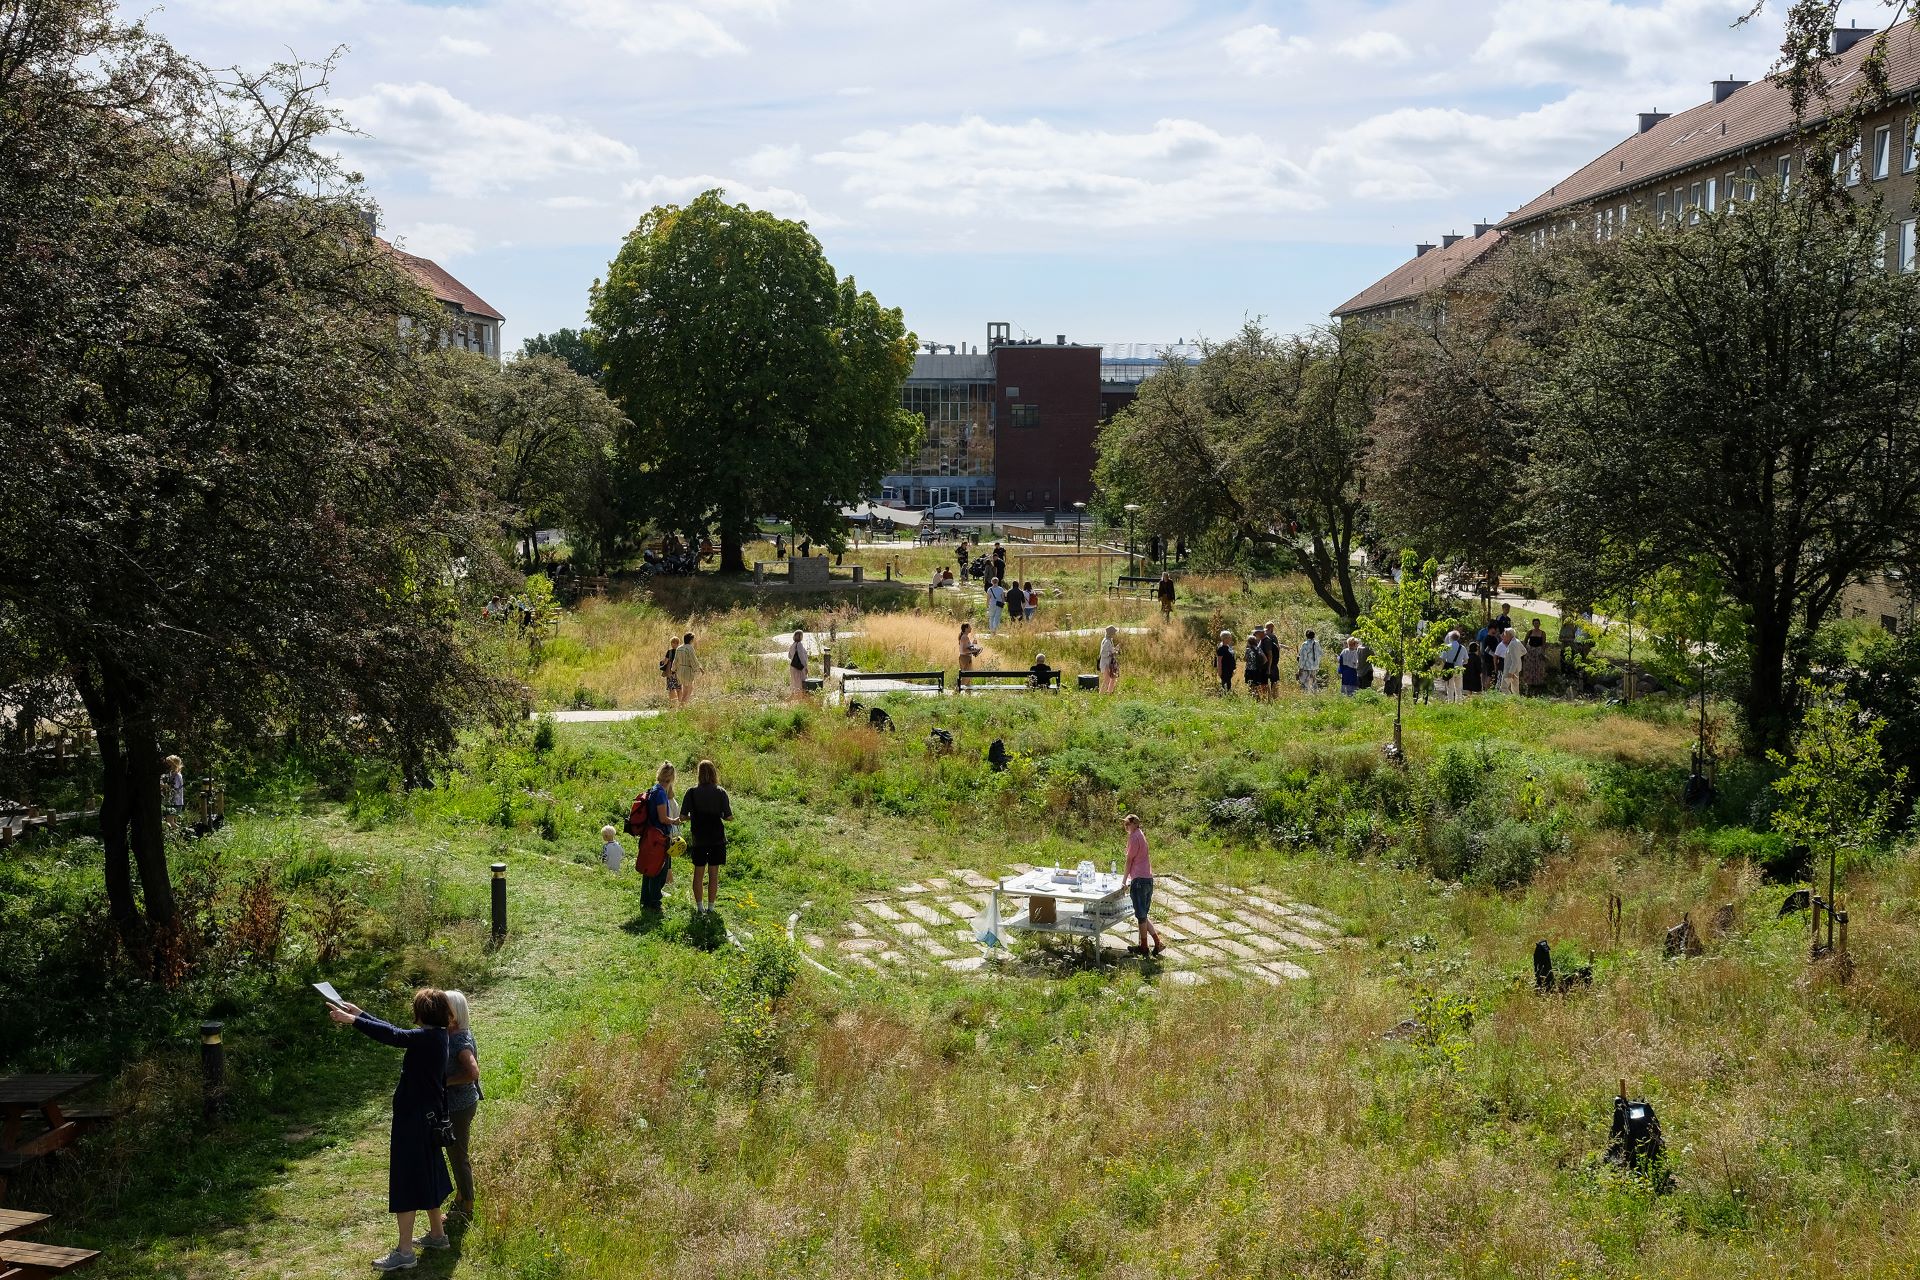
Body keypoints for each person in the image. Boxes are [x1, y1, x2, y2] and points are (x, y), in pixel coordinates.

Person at [326, 989, 454, 1272]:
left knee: (407, 1180)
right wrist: (360, 1014)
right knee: (428, 1174)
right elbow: (398, 1032)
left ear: (420, 1013)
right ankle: (437, 1235)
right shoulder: (437, 1036)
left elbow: (395, 1036)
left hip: (414, 1122)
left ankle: (405, 1252)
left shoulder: (425, 1039)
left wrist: (352, 1021)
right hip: (427, 1120)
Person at [441, 990, 482, 1223]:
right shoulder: (454, 1033)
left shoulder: (459, 1039)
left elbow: (472, 1072)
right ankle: (460, 1196)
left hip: (460, 1105)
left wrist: (445, 1082)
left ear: (454, 1013)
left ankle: (467, 1206)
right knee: (456, 1153)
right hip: (459, 1104)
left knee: (458, 1156)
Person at [681, 759, 733, 915]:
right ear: (714, 773)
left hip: (699, 837)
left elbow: (683, 816)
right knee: (713, 873)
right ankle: (711, 907)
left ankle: (699, 907)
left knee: (698, 873)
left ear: (699, 774)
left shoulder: (691, 792)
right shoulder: (720, 792)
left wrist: (694, 816)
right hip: (717, 837)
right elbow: (729, 817)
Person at [1122, 814, 1164, 957]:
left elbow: (1129, 860)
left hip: (1139, 880)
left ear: (1134, 823)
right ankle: (1157, 943)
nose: (1125, 827)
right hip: (1148, 879)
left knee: (1141, 916)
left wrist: (1123, 881)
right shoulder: (1141, 835)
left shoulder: (1134, 837)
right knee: (1143, 915)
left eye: (1127, 824)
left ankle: (1144, 947)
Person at [637, 763, 676, 911]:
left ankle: (645, 900)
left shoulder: (654, 789)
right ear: (671, 777)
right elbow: (663, 818)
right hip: (659, 836)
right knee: (659, 870)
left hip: (650, 834)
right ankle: (654, 902)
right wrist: (675, 820)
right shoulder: (660, 793)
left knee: (649, 868)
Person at [1438, 629, 1468, 703]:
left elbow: (1443, 659)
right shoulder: (1462, 648)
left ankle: (1450, 703)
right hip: (1459, 669)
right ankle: (1459, 702)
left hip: (1449, 669)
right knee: (1459, 688)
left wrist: (1447, 664)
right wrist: (1460, 663)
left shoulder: (1447, 647)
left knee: (1450, 688)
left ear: (1450, 638)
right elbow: (1466, 660)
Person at [1522, 619, 1549, 694]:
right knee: (1530, 667)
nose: (1536, 624)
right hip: (1530, 652)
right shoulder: (1530, 632)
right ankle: (1529, 683)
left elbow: (1544, 643)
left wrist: (1542, 652)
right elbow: (1525, 641)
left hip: (1538, 651)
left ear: (1539, 624)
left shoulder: (1542, 633)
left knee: (1538, 667)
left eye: (1537, 623)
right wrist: (1524, 650)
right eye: (1535, 623)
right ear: (1533, 624)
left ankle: (1538, 684)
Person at [674, 632, 699, 705]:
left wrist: (673, 669)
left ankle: (682, 707)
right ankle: (682, 706)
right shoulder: (689, 647)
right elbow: (693, 659)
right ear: (691, 640)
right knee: (689, 690)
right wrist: (698, 668)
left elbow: (675, 660)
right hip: (687, 671)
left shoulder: (679, 648)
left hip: (680, 671)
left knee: (685, 689)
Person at [1494, 628, 1520, 694]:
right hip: (1504, 665)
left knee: (1507, 685)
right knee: (1506, 685)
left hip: (1511, 668)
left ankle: (1511, 698)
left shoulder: (1513, 644)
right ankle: (1510, 698)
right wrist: (1495, 666)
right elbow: (1495, 656)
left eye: (1505, 635)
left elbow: (1516, 658)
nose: (1504, 636)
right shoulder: (1501, 645)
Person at [1260, 625, 1281, 702]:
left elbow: (1270, 654)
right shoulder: (1272, 637)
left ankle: (1269, 699)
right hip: (1273, 664)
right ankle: (1274, 698)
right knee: (1274, 681)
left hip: (1268, 664)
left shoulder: (1265, 640)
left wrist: (1268, 667)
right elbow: (1278, 648)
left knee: (1265, 682)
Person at [787, 630, 809, 700]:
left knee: (794, 682)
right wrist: (805, 667)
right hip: (799, 667)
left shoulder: (793, 644)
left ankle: (792, 697)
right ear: (800, 636)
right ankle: (800, 698)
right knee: (800, 683)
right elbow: (802, 657)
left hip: (793, 666)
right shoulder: (799, 644)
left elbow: (789, 656)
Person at [1243, 630, 1267, 696]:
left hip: (1249, 670)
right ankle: (1257, 697)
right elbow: (1265, 659)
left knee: (1250, 685)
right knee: (1256, 685)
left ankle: (1251, 697)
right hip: (1257, 669)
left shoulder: (1248, 650)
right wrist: (1260, 664)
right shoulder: (1259, 649)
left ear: (1249, 642)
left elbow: (1244, 659)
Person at [1098, 625, 1120, 694]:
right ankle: (1100, 695)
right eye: (1114, 632)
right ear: (1111, 633)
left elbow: (1109, 650)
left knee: (1113, 678)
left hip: (1109, 663)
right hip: (1105, 663)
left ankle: (1109, 693)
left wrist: (1115, 650)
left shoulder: (1109, 640)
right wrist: (1112, 653)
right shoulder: (1107, 641)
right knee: (1106, 680)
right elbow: (1103, 653)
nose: (1115, 634)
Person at [660, 635, 681, 703]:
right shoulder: (681, 651)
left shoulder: (670, 652)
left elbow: (665, 662)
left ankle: (672, 703)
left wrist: (662, 663)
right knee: (679, 688)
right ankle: (680, 703)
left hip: (671, 673)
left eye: (674, 643)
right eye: (673, 643)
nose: (673, 644)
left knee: (671, 688)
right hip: (679, 673)